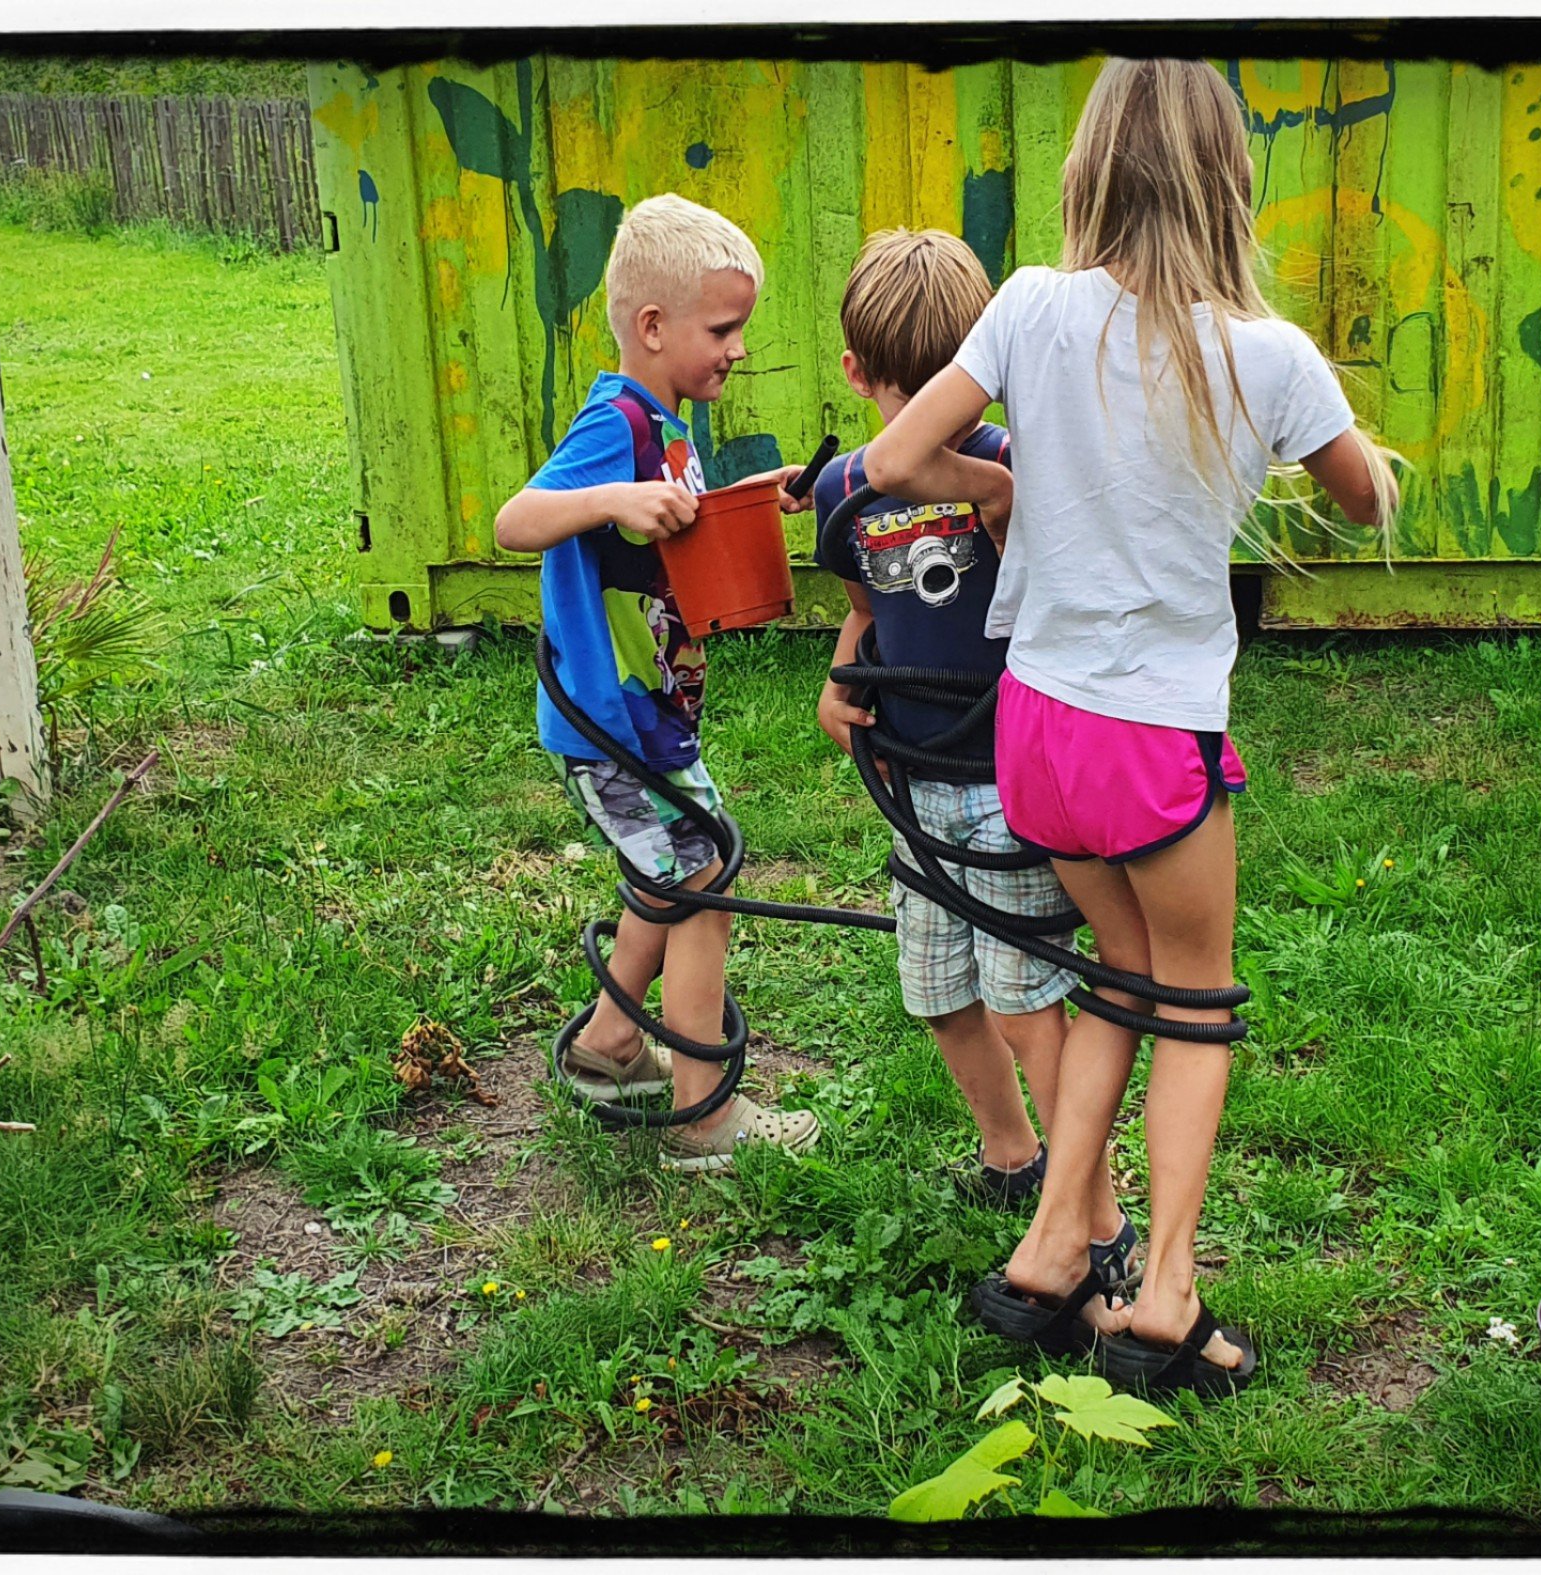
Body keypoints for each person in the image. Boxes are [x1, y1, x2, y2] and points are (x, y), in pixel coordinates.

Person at [863, 59, 1399, 1395]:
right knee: (1196, 1005)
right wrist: (1369, 454)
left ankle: (1051, 1247)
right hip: (1154, 746)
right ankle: (1162, 1291)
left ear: (1087, 171)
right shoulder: (1268, 352)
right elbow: (1362, 503)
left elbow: (888, 465)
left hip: (1034, 730)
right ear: (1229, 181)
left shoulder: (1031, 308)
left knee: (1115, 973)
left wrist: (1007, 484)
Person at [811, 229, 1137, 1289]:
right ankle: (1011, 1155)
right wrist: (840, 672)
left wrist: (989, 489)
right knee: (938, 991)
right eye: (901, 391)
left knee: (1023, 998)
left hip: (1009, 781)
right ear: (859, 377)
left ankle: (1094, 1214)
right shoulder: (842, 495)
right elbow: (865, 608)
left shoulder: (1006, 467)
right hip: (914, 785)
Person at [494, 192, 818, 1172]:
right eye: (722, 330)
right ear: (651, 326)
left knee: (664, 877)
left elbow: (677, 530)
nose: (734, 348)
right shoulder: (617, 423)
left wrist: (767, 495)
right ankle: (702, 1114)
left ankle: (605, 1047)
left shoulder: (669, 426)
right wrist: (615, 494)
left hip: (649, 712)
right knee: (706, 875)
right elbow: (516, 522)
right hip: (611, 720)